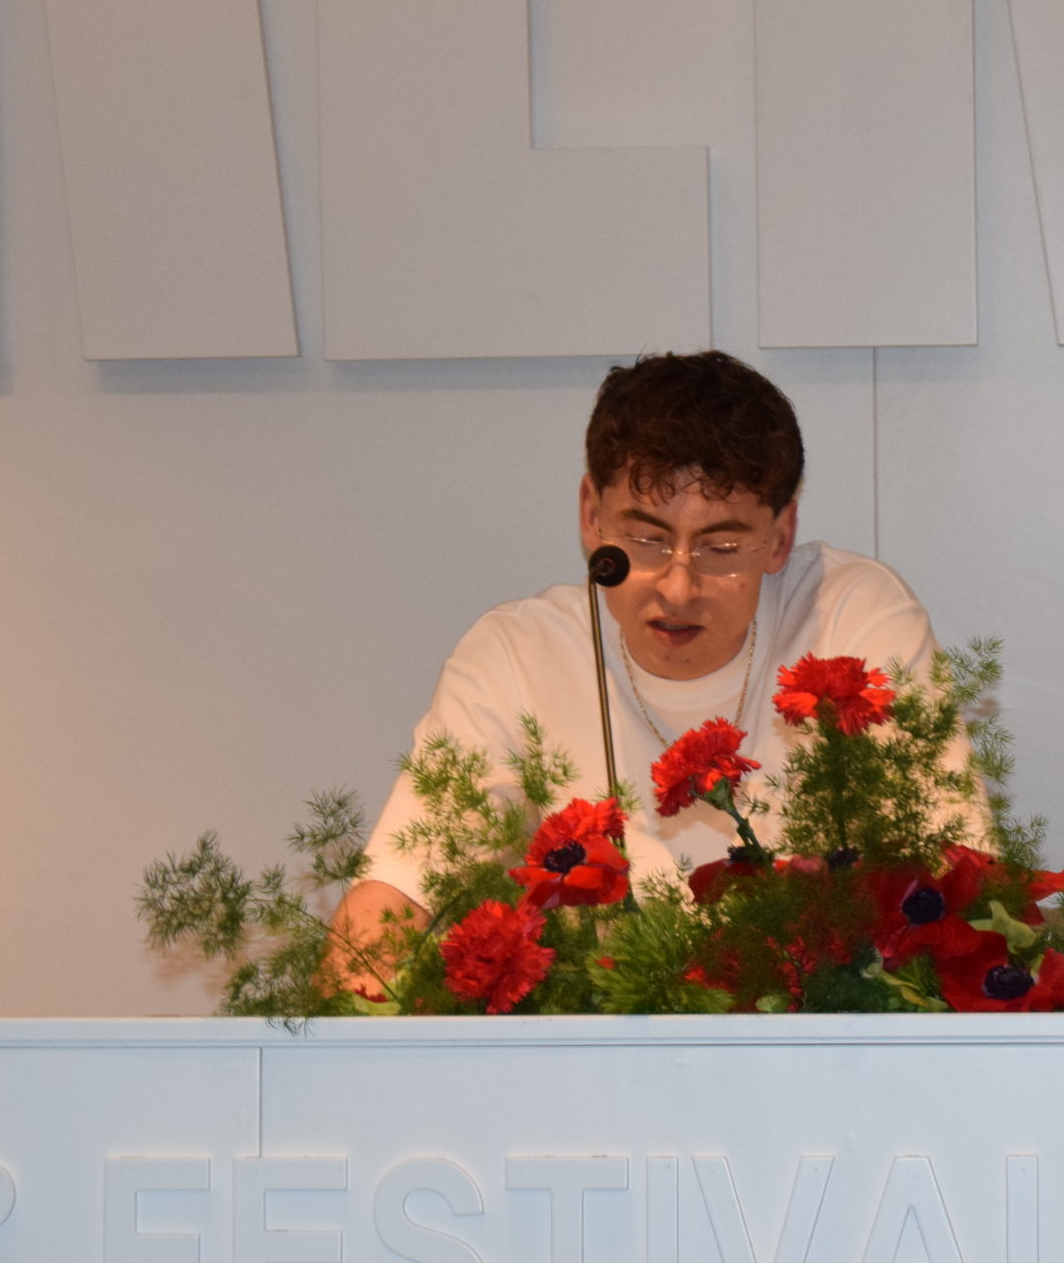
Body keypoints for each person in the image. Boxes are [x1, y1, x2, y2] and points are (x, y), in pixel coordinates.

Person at [335, 350, 960, 946]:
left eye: (721, 548)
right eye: (646, 540)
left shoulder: (850, 619)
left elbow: (953, 875)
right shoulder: (517, 656)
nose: (679, 588)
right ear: (591, 515)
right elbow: (394, 895)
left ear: (779, 537)